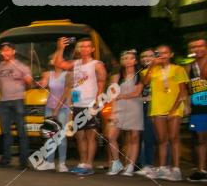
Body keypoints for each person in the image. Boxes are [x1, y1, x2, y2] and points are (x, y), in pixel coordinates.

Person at [53, 37, 106, 175]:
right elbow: (59, 63)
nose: (84, 49)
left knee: (91, 136)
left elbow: (101, 82)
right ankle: (82, 163)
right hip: (78, 104)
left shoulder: (97, 64)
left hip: (91, 104)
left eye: (88, 46)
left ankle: (88, 165)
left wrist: (97, 101)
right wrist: (60, 48)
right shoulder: (76, 63)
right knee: (79, 136)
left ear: (92, 49)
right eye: (82, 46)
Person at [142, 45, 189, 181]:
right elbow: (145, 82)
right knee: (162, 139)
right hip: (158, 108)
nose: (162, 55)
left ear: (171, 54)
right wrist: (152, 65)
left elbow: (183, 91)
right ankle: (163, 167)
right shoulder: (152, 69)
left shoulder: (178, 69)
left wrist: (174, 109)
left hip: (174, 107)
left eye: (165, 53)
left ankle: (176, 169)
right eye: (159, 53)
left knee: (174, 137)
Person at [0, 41, 33, 169]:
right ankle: (6, 159)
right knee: (6, 133)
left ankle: (23, 161)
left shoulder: (21, 66)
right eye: (3, 50)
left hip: (17, 101)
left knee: (21, 132)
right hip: (3, 102)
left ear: (13, 52)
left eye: (7, 50)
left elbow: (30, 84)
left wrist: (26, 83)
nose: (5, 52)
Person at [106, 50, 144, 176]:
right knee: (111, 136)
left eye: (130, 58)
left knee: (134, 137)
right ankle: (116, 163)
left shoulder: (140, 75)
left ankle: (130, 165)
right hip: (119, 108)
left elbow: (137, 93)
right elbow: (112, 95)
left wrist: (121, 96)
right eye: (125, 58)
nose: (127, 60)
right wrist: (113, 112)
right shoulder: (117, 77)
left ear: (135, 60)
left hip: (135, 108)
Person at [36, 52, 70, 172]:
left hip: (63, 108)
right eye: (53, 59)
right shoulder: (47, 74)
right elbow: (43, 83)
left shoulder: (68, 74)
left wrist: (57, 109)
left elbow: (66, 93)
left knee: (61, 136)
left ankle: (62, 163)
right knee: (49, 135)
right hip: (49, 107)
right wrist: (41, 84)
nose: (54, 60)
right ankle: (49, 162)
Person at [186, 37, 207, 182]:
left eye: (201, 46)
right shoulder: (189, 67)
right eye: (194, 47)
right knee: (200, 139)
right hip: (198, 108)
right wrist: (187, 105)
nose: (197, 49)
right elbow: (186, 90)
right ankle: (201, 170)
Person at [136, 49, 157, 175]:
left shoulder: (161, 70)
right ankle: (144, 164)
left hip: (156, 106)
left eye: (150, 56)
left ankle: (153, 165)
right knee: (144, 137)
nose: (146, 58)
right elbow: (144, 84)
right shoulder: (141, 72)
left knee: (155, 137)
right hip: (143, 106)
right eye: (143, 56)